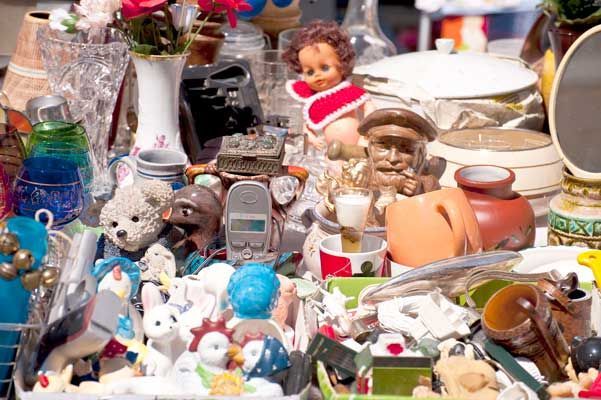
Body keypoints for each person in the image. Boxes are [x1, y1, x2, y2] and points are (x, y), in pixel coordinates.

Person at [283, 20, 375, 149]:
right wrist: (311, 138)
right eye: (310, 72)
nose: (317, 75)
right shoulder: (315, 100)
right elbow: (307, 125)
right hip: (330, 151)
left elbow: (369, 108)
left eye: (325, 68)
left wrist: (365, 135)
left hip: (357, 147)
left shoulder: (349, 93)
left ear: (342, 64)